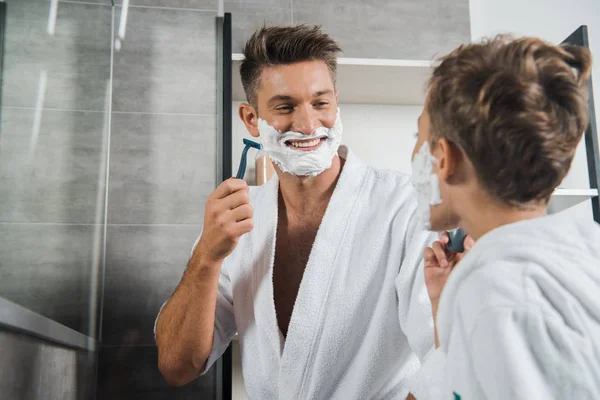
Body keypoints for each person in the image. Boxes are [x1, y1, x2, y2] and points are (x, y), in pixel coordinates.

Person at [154, 24, 449, 399]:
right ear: (250, 118)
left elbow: (448, 353)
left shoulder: (404, 207)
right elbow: (177, 366)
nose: (309, 124)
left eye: (320, 103)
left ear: (336, 103)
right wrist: (205, 258)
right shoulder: (239, 222)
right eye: (285, 106)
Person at [412, 35, 600, 399]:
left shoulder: (499, 292)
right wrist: (442, 307)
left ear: (444, 158)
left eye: (417, 138)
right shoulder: (581, 251)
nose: (413, 156)